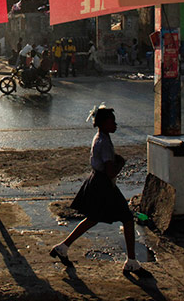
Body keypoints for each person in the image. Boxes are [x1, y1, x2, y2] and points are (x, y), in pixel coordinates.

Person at [50, 105, 142, 273]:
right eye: (112, 121)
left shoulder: (100, 137)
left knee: (93, 218)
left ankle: (63, 247)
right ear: (104, 123)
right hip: (104, 185)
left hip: (97, 182)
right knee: (127, 219)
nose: (115, 124)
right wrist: (120, 163)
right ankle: (131, 261)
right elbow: (110, 171)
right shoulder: (104, 142)